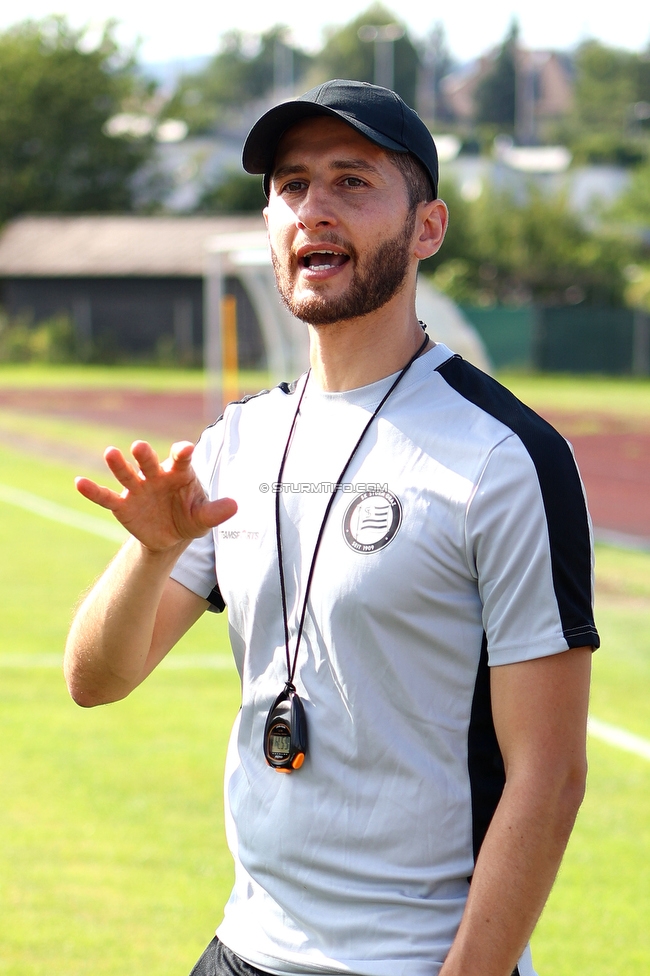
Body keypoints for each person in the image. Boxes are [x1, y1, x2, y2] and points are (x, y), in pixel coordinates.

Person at [64, 80, 598, 976]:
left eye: (353, 182)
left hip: (413, 959)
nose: (314, 208)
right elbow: (95, 680)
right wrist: (152, 553)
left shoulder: (503, 458)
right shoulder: (238, 442)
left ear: (426, 228)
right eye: (292, 184)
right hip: (244, 948)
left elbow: (549, 777)